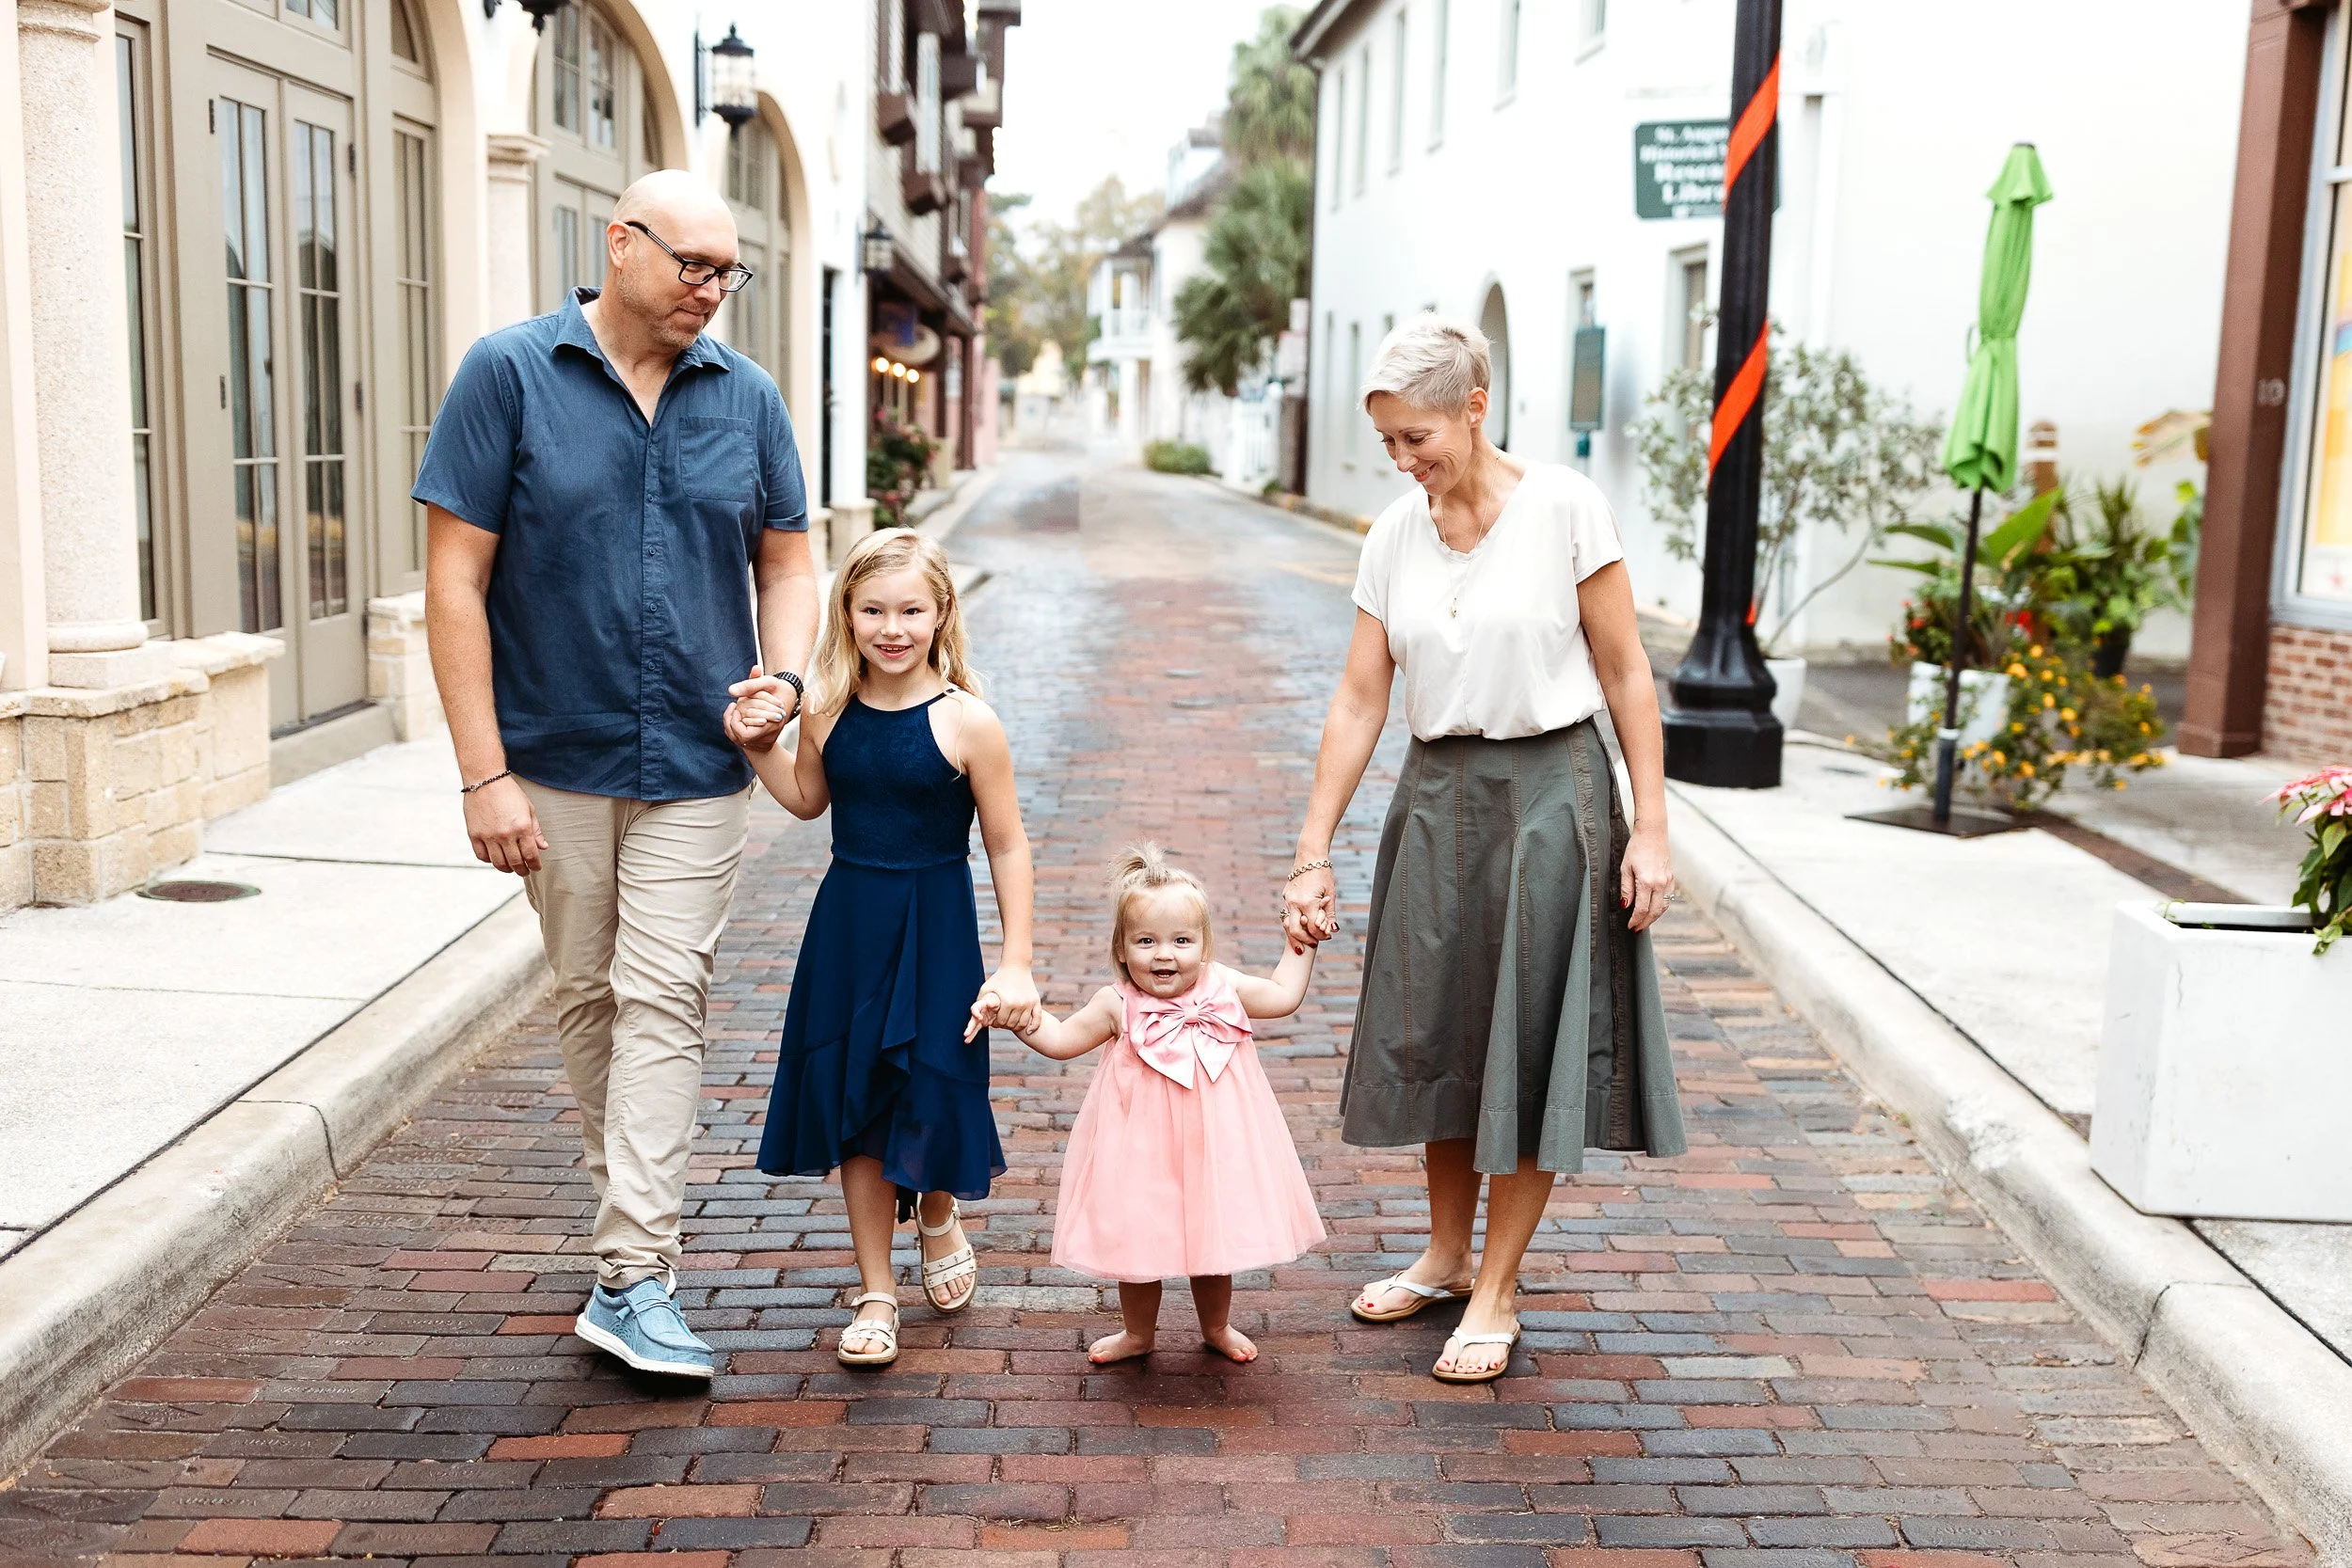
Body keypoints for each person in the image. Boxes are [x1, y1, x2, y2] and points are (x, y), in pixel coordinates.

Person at [417, 171, 818, 1381]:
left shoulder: (747, 398)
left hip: (702, 761)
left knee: (665, 995)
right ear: (620, 246)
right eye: (693, 265)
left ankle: (639, 1269)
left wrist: (783, 678)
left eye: (727, 271)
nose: (711, 289)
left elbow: (789, 561)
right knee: (590, 996)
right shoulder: (509, 372)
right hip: (554, 756)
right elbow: (454, 584)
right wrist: (481, 773)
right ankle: (622, 1256)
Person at [1282, 315, 1687, 1385]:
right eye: (1388, 445)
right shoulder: (1392, 535)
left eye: (1418, 438)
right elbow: (1361, 696)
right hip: (1434, 798)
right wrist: (1310, 847)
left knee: (1524, 1040)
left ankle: (1499, 1284)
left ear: (1475, 405)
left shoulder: (1563, 508)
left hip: (1552, 795)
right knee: (1439, 1035)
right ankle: (1446, 1254)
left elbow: (1626, 672)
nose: (1404, 463)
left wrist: (1649, 824)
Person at [733, 529, 1039, 1370]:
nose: (892, 626)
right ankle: (875, 1291)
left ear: (942, 613)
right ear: (848, 614)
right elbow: (803, 799)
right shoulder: (827, 708)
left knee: (931, 1088)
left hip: (937, 923)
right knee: (859, 1107)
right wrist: (759, 743)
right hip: (849, 926)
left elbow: (1008, 844)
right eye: (873, 609)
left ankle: (935, 1211)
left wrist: (1017, 959)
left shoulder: (970, 722)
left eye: (911, 609)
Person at [1002, 845, 1325, 1366]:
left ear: (1204, 945)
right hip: (1141, 1147)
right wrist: (1019, 1016)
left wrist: (1301, 943)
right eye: (1146, 941)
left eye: (1181, 940)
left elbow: (1284, 996)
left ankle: (1216, 1325)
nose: (1164, 955)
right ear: (1123, 949)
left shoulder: (1225, 987)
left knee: (1211, 1234)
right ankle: (1138, 1333)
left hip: (1214, 1143)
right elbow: (1061, 1039)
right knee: (1138, 1239)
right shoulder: (1117, 1003)